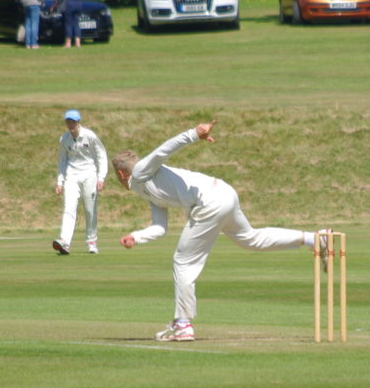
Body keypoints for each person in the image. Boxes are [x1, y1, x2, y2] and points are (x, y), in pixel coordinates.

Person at [113, 120, 323, 342]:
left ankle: (183, 324)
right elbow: (159, 227)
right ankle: (314, 239)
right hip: (223, 193)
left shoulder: (140, 172)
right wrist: (136, 237)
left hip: (209, 202)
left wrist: (194, 134)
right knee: (250, 239)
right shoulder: (147, 189)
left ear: (121, 174)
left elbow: (164, 150)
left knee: (183, 261)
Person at [53, 109, 107, 255]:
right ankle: (65, 241)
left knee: (90, 210)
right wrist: (60, 181)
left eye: (73, 121)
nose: (70, 124)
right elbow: (62, 160)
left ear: (78, 122)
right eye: (68, 121)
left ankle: (91, 241)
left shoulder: (90, 136)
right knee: (69, 207)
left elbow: (101, 155)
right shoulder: (64, 139)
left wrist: (101, 177)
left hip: (89, 174)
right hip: (72, 175)